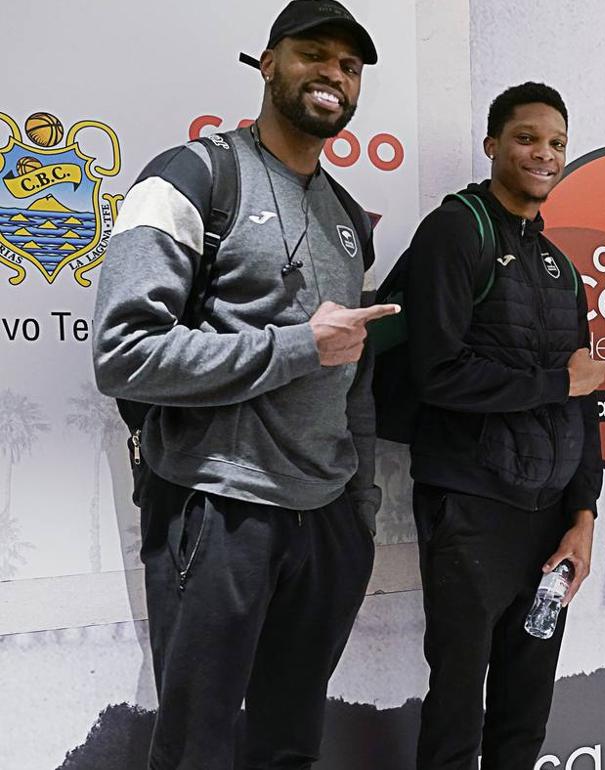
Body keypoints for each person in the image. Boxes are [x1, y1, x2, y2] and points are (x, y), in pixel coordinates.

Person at [92, 1, 391, 766]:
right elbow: (125, 353)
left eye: (349, 66)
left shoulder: (348, 215)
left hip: (324, 522)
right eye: (314, 53)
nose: (333, 73)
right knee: (199, 746)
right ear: (267, 64)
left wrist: (358, 511)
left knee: (290, 745)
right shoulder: (195, 174)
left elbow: (351, 373)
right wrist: (297, 346)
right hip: (218, 506)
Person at [397, 82, 605, 770]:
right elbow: (437, 374)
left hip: (547, 518)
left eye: (556, 143)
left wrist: (583, 514)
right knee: (458, 702)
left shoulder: (560, 266)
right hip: (469, 506)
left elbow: (582, 400)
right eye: (526, 138)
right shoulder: (456, 230)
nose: (543, 153)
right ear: (493, 145)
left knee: (526, 708)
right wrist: (557, 382)